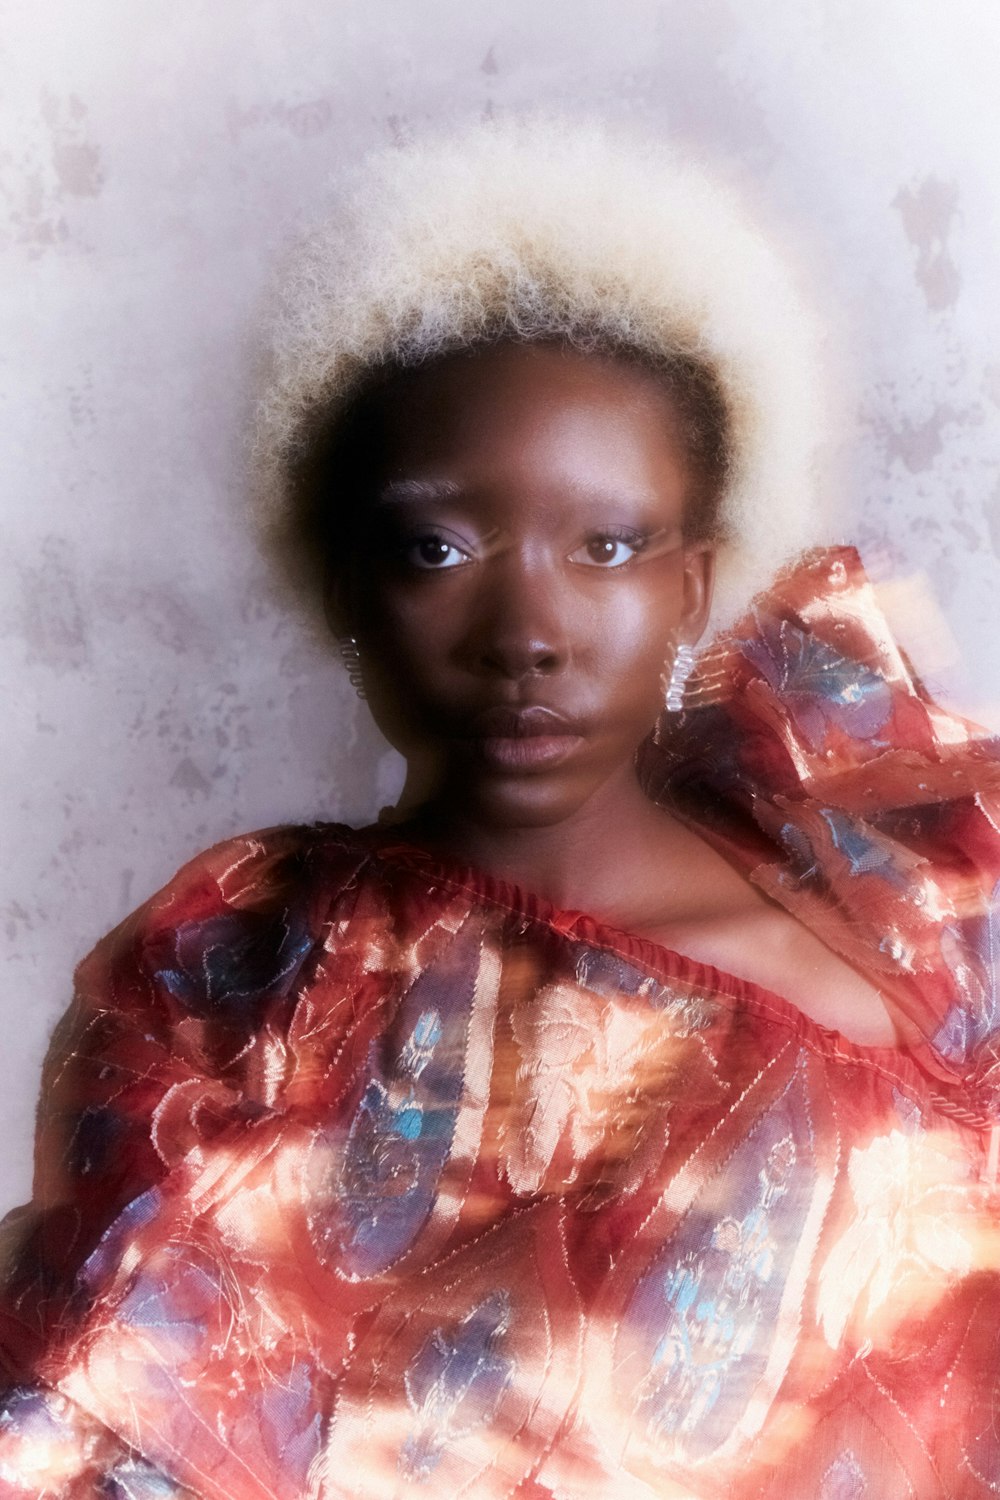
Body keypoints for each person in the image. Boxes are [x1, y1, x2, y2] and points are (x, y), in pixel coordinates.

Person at [0, 118, 998, 1499]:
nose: (528, 629)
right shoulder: (241, 996)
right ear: (351, 589)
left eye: (608, 547)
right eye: (441, 547)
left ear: (692, 592)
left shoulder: (920, 906)